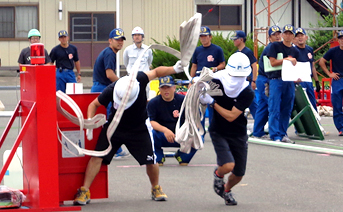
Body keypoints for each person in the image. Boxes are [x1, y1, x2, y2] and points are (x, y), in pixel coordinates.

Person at [73, 58, 185, 205]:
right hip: (115, 127)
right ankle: (84, 190)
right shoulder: (113, 88)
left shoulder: (140, 79)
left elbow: (157, 72)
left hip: (138, 128)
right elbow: (94, 104)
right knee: (97, 156)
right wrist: (88, 122)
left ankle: (155, 187)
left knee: (151, 160)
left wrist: (175, 68)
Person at [199, 52, 254, 206]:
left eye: (240, 76)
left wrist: (212, 103)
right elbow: (197, 87)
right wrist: (199, 89)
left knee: (239, 173)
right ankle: (218, 174)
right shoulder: (215, 80)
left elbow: (231, 116)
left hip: (238, 132)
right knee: (228, 165)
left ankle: (226, 190)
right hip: (219, 130)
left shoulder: (247, 92)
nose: (236, 80)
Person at [90, 28, 129, 158]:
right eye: (117, 39)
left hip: (100, 87)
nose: (120, 42)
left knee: (106, 119)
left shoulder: (108, 52)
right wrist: (123, 84)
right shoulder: (109, 53)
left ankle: (112, 148)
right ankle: (113, 150)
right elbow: (109, 74)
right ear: (110, 40)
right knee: (109, 120)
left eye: (121, 40)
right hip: (102, 89)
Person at [147, 75, 197, 166]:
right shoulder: (153, 103)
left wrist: (188, 130)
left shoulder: (184, 101)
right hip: (162, 135)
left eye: (169, 87)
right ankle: (158, 156)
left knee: (197, 136)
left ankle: (182, 155)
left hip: (181, 135)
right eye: (163, 88)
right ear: (159, 89)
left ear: (174, 88)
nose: (166, 90)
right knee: (150, 133)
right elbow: (151, 122)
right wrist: (165, 130)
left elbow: (193, 118)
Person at [266, 24, 300, 143]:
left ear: (293, 36)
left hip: (289, 81)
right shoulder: (275, 46)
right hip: (276, 80)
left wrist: (298, 77)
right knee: (274, 107)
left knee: (287, 108)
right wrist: (286, 60)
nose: (288, 35)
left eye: (290, 33)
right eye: (285, 33)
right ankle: (275, 134)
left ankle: (283, 133)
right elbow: (273, 63)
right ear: (282, 35)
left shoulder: (295, 50)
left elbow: (297, 67)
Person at [190, 26, 225, 136]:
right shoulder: (197, 50)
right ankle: (199, 128)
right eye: (201, 37)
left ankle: (213, 128)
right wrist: (191, 80)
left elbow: (222, 64)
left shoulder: (217, 49)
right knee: (197, 104)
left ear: (210, 37)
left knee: (212, 104)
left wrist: (214, 69)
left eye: (205, 36)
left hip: (212, 80)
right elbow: (194, 65)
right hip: (199, 79)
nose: (203, 38)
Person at [252, 25, 282, 138]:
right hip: (265, 79)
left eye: (278, 34)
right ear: (269, 37)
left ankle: (257, 131)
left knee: (263, 106)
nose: (277, 36)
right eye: (274, 35)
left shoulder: (276, 47)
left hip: (265, 79)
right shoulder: (271, 48)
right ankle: (275, 132)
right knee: (272, 104)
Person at [319, 30, 343, 136]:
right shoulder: (333, 51)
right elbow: (321, 61)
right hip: (337, 80)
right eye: (341, 38)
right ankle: (341, 128)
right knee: (337, 105)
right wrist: (329, 73)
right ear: (338, 40)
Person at [230, 30, 258, 119]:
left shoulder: (247, 52)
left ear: (241, 40)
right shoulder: (236, 53)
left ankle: (259, 124)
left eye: (235, 39)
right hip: (238, 82)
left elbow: (254, 66)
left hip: (247, 82)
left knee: (252, 103)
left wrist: (254, 80)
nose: (234, 41)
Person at [294, 27, 321, 112]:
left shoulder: (309, 49)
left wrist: (316, 81)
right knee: (301, 104)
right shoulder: (293, 50)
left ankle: (316, 123)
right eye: (297, 36)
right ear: (295, 38)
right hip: (299, 81)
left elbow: (312, 66)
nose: (300, 38)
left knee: (312, 103)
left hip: (308, 80)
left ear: (306, 37)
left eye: (301, 35)